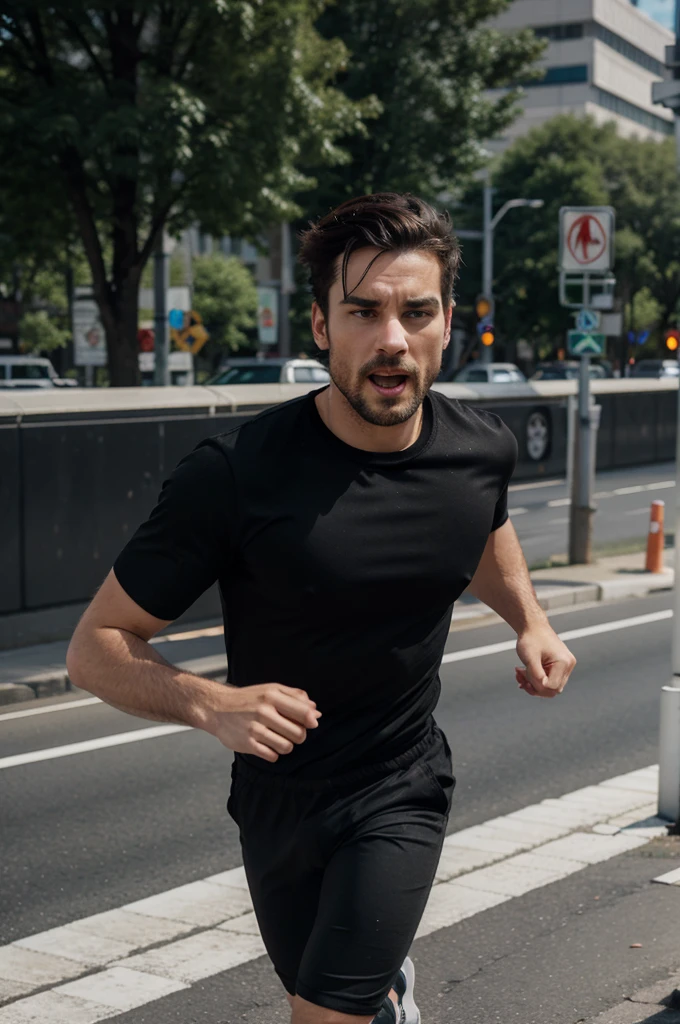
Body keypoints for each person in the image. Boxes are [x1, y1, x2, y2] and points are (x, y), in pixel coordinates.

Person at [67, 192, 576, 1024]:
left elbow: (483, 529)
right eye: (363, 311)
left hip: (401, 783)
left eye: (416, 313)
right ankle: (386, 996)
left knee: (322, 1017)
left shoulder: (481, 449)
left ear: (449, 323)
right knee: (329, 988)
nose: (391, 340)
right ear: (318, 325)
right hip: (278, 801)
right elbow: (94, 648)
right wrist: (211, 702)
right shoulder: (235, 475)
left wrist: (533, 621)